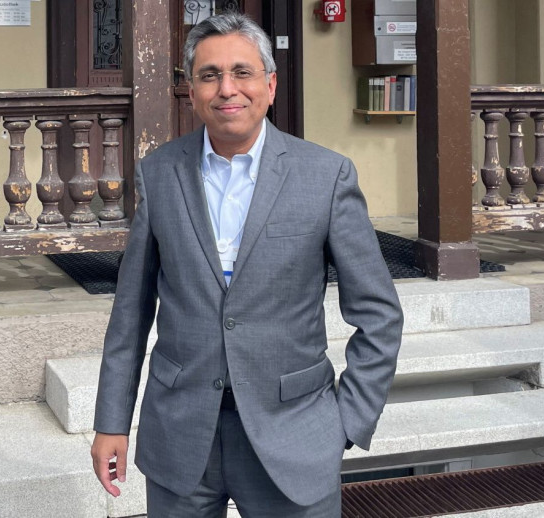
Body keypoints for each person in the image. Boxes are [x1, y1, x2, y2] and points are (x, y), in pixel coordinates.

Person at [91, 12, 403, 518]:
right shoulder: (159, 175)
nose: (226, 89)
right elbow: (130, 314)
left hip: (295, 435)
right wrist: (111, 421)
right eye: (209, 75)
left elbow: (379, 314)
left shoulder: (325, 176)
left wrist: (346, 421)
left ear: (270, 84)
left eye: (242, 72)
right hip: (181, 432)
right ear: (191, 91)